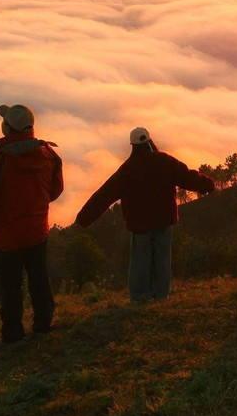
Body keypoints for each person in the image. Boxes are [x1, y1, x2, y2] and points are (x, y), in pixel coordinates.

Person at [75, 127, 214, 302]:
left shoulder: (127, 169)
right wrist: (207, 184)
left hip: (140, 223)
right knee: (162, 259)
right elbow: (187, 176)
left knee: (141, 260)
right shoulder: (165, 161)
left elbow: (105, 195)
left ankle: (140, 297)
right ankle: (161, 295)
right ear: (149, 141)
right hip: (164, 219)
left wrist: (84, 218)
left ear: (132, 145)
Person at [0, 103, 64, 345]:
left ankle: (13, 335)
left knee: (11, 287)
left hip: (7, 236)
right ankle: (43, 324)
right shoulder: (48, 155)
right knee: (39, 279)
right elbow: (55, 190)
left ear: (7, 128)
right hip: (37, 232)